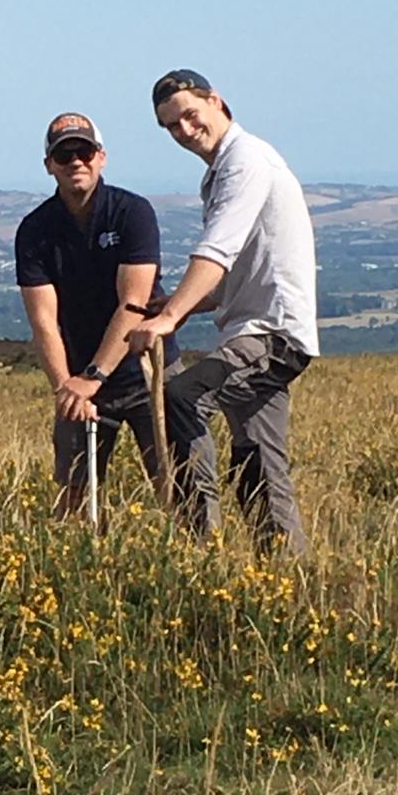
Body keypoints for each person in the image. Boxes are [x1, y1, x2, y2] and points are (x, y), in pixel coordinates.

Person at [127, 70, 318, 554]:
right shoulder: (226, 169)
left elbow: (217, 252)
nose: (185, 131)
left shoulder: (244, 161)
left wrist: (169, 318)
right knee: (260, 461)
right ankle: (284, 570)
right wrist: (181, 305)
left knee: (182, 398)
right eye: (172, 126)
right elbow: (239, 274)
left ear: (216, 101)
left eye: (190, 115)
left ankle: (199, 541)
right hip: (261, 330)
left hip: (270, 335)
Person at [15, 112, 181, 519]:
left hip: (147, 372)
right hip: (79, 376)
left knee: (177, 484)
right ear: (49, 165)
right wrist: (66, 389)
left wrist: (94, 376)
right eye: (64, 154)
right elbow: (43, 320)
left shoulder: (132, 212)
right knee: (73, 493)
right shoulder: (35, 230)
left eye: (84, 152)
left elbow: (133, 304)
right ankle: (76, 553)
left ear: (101, 157)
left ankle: (194, 550)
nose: (76, 161)